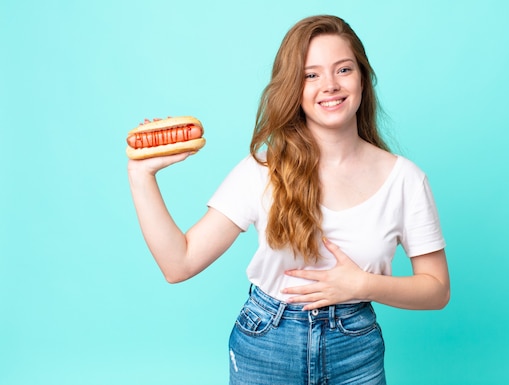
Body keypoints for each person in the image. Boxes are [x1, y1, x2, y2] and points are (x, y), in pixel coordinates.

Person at [128, 14, 450, 385]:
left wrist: (362, 285)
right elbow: (178, 264)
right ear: (293, 89)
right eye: (310, 75)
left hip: (355, 348)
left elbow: (437, 288)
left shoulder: (405, 179)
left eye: (343, 69)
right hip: (267, 342)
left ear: (362, 78)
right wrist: (141, 176)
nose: (329, 85)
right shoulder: (262, 170)